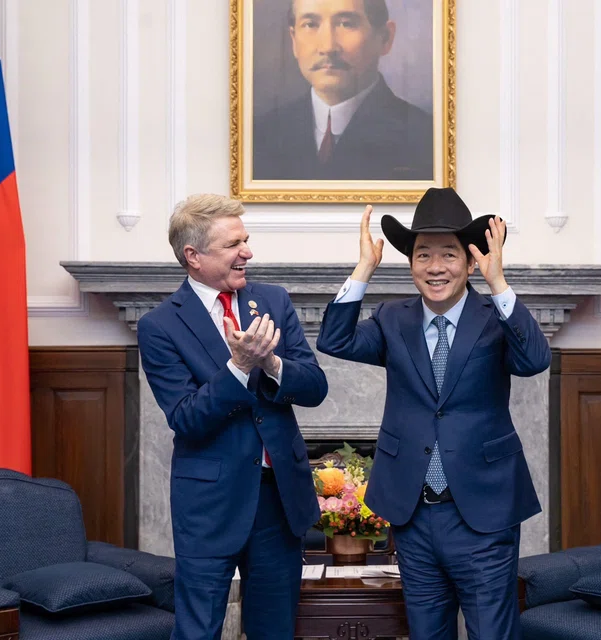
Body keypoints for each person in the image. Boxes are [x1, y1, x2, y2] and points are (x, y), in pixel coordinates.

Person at [316, 187, 551, 639]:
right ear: (410, 264)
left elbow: (535, 360)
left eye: (449, 254)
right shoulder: (392, 318)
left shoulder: (494, 316)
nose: (435, 267)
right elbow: (334, 340)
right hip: (414, 514)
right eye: (423, 255)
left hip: (483, 512)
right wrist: (364, 268)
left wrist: (499, 282)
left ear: (469, 261)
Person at [137, 193, 327, 639]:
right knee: (199, 630)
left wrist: (272, 365)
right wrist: (239, 367)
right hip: (210, 505)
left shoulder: (273, 301)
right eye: (233, 244)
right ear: (194, 256)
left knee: (274, 630)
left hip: (277, 500)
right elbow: (186, 418)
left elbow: (315, 388)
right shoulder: (160, 326)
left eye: (246, 240)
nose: (248, 252)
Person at [253, 0, 433, 181]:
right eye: (310, 25)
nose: (328, 47)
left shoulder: (425, 139)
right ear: (293, 39)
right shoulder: (260, 136)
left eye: (346, 24)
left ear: (385, 38)